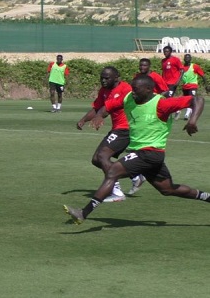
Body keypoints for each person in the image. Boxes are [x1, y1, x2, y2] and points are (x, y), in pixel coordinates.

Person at [64, 74, 210, 225]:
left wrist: (192, 120)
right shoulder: (128, 98)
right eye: (132, 89)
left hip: (150, 153)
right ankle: (207, 196)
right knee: (168, 189)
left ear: (148, 90)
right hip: (144, 154)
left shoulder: (161, 104)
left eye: (136, 89)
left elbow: (198, 99)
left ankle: (83, 213)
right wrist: (100, 115)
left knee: (113, 171)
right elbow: (107, 106)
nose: (132, 92)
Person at [76, 66, 143, 202]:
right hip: (117, 129)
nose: (103, 80)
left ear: (116, 77)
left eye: (107, 78)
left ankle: (117, 192)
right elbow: (98, 108)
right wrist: (83, 119)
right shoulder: (104, 91)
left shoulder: (126, 89)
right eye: (102, 78)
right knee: (96, 160)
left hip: (126, 129)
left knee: (102, 156)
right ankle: (135, 175)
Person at [181, 54, 210, 120]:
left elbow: (203, 76)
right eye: (186, 57)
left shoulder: (195, 66)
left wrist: (206, 85)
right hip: (185, 86)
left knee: (191, 98)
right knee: (187, 101)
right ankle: (190, 112)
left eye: (188, 57)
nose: (187, 59)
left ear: (191, 59)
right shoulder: (182, 67)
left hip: (193, 86)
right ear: (184, 59)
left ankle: (187, 114)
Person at [161, 46, 184, 118]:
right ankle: (177, 110)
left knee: (169, 97)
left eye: (167, 51)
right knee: (165, 98)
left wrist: (178, 81)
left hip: (173, 82)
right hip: (165, 83)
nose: (165, 53)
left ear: (170, 52)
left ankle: (168, 114)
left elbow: (182, 70)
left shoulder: (175, 60)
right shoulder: (163, 61)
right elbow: (164, 72)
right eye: (164, 51)